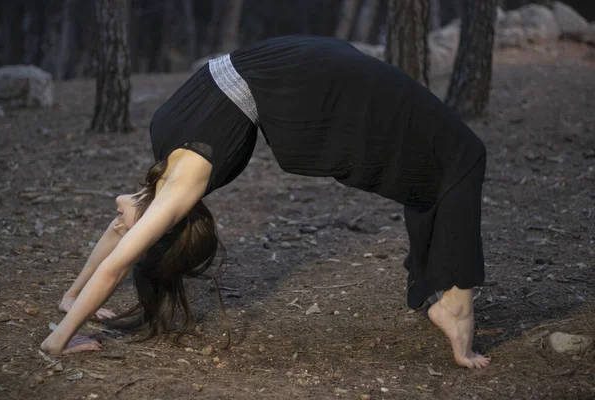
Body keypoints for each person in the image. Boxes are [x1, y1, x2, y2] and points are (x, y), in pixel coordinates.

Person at [41, 35, 490, 369]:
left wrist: (68, 307)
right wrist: (59, 340)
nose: (118, 212)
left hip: (303, 73)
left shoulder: (171, 176)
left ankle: (453, 300)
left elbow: (121, 245)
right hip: (301, 69)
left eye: (122, 220)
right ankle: (454, 304)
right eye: (131, 226)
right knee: (462, 153)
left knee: (459, 153)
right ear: (159, 230)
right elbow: (118, 258)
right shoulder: (179, 175)